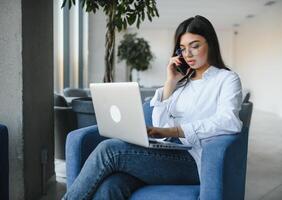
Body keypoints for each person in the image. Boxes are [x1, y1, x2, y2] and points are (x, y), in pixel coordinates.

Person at [62, 15, 242, 200]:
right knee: (111, 185)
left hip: (195, 159)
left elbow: (229, 121)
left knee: (109, 149)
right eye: (182, 49)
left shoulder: (226, 79)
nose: (188, 54)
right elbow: (160, 127)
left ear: (210, 44)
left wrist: (175, 131)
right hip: (166, 152)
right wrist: (170, 82)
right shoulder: (180, 83)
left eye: (195, 46)